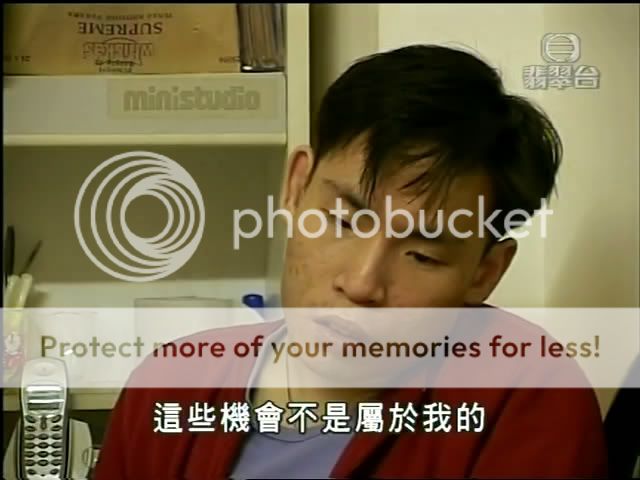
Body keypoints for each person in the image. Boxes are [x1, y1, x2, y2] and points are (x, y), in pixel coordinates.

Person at [94, 44, 607, 479]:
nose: (362, 284)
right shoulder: (171, 384)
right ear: (297, 186)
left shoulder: (525, 394)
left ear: (484, 273)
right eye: (343, 221)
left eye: (423, 254)